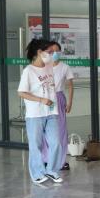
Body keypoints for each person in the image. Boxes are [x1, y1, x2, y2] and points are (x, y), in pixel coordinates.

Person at [17, 38, 62, 185]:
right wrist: (41, 100)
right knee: (35, 145)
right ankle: (37, 173)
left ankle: (51, 170)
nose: (52, 54)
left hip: (51, 112)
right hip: (35, 114)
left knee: (56, 143)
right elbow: (21, 92)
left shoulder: (49, 66)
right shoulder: (28, 71)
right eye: (49, 52)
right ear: (39, 52)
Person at [40, 40, 73, 173]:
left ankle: (61, 161)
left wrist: (69, 103)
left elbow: (70, 86)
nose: (54, 53)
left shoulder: (65, 67)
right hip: (45, 99)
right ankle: (46, 159)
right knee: (45, 129)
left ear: (60, 52)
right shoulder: (44, 66)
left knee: (61, 130)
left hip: (58, 99)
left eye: (56, 51)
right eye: (51, 51)